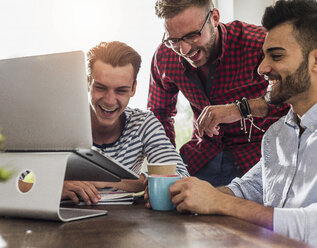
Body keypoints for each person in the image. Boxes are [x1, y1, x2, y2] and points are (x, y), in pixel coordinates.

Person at [164, 0, 317, 245]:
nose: (261, 68)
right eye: (264, 55)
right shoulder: (277, 134)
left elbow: (313, 226)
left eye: (276, 56)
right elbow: (251, 187)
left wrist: (218, 201)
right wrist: (190, 194)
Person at [148, 0, 289, 186]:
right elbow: (159, 116)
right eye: (173, 40)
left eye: (193, 35)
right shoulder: (165, 56)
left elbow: (296, 98)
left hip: (258, 158)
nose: (184, 50)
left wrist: (240, 109)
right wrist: (165, 173)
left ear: (214, 18)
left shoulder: (259, 44)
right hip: (201, 156)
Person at [62, 41, 189, 205]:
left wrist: (107, 180)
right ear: (87, 83)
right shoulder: (63, 123)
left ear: (133, 89)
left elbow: (180, 178)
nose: (109, 100)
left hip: (126, 223)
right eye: (101, 88)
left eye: (121, 90)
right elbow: (20, 177)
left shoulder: (143, 124)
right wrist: (56, 187)